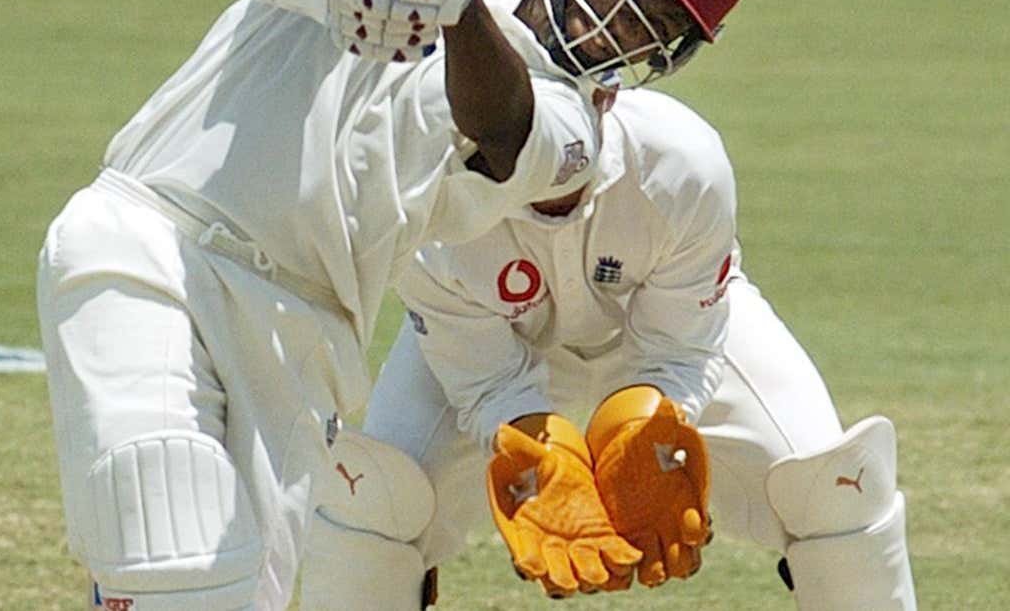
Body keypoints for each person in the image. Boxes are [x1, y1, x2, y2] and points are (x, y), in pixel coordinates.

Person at [35, 0, 752, 610]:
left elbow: (504, 128)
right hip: (159, 237)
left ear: (664, 58)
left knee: (235, 596)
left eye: (658, 22)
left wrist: (458, 3)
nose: (624, 18)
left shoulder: (577, 129)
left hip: (304, 332)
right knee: (173, 554)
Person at [298, 87, 919, 610]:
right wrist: (529, 442)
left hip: (662, 336)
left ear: (606, 93)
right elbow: (483, 376)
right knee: (372, 503)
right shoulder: (418, 187)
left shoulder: (682, 159)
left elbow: (681, 343)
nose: (554, 175)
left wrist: (650, 423)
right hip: (494, 345)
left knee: (835, 486)